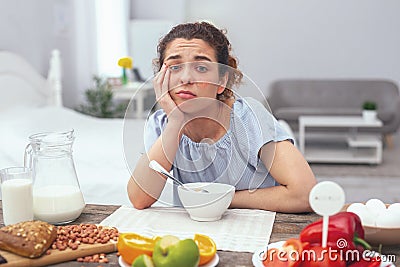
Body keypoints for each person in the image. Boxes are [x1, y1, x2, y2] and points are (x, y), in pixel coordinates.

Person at [127, 21, 316, 213]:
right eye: (175, 67)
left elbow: (304, 194)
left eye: (201, 68)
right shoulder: (161, 124)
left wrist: (220, 199)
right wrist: (175, 123)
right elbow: (139, 198)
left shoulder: (249, 117)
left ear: (221, 80)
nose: (185, 79)